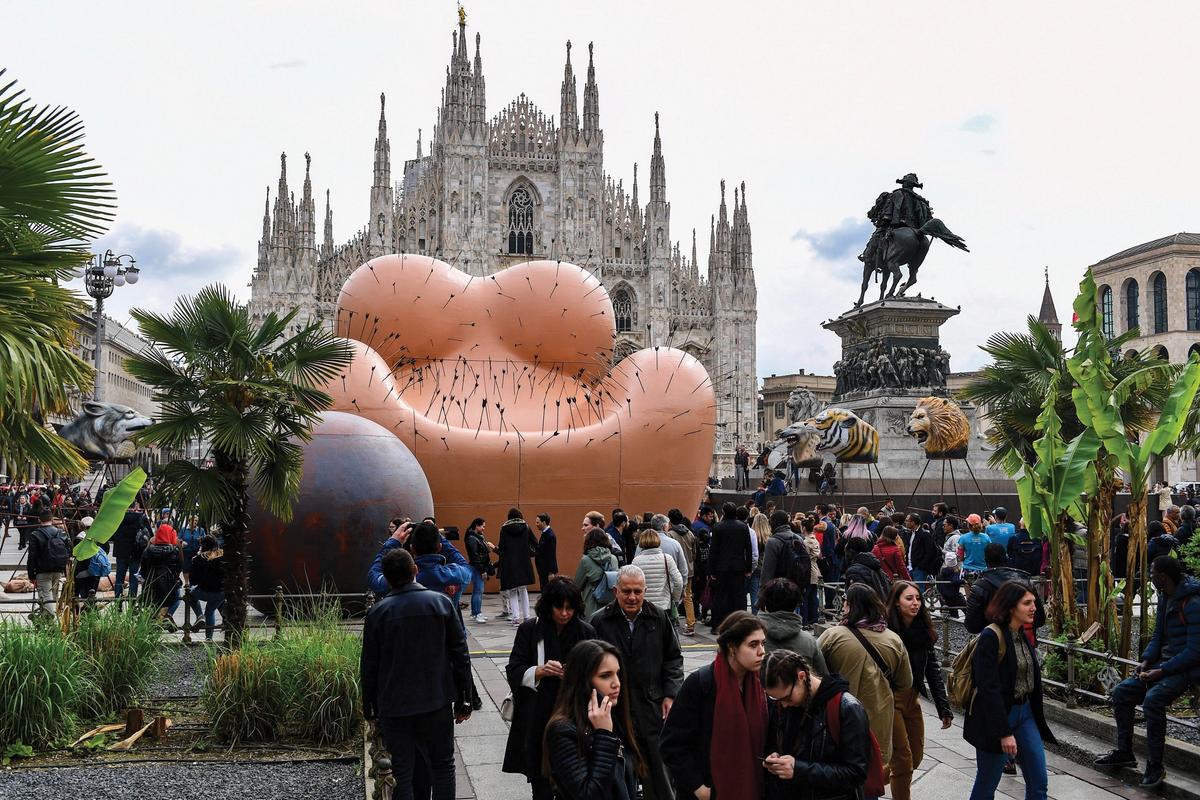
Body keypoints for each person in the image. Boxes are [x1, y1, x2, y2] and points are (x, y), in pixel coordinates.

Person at [361, 547, 474, 800]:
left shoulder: (377, 613)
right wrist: (465, 696)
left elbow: (370, 664)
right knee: (443, 765)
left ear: (386, 578)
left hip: (395, 703)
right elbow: (460, 655)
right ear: (415, 570)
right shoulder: (442, 603)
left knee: (402, 769)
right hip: (437, 698)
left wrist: (369, 705)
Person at [1095, 556, 1200, 789]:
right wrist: (1145, 661)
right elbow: (1158, 636)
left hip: (1185, 669)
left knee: (1153, 701)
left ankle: (1155, 765)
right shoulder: (1165, 597)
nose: (1150, 577)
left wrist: (1161, 671)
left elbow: (1195, 651)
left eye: (1152, 573)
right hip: (1162, 665)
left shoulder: (1192, 603)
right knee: (1122, 692)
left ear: (1163, 576)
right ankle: (1124, 752)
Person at [589, 565, 684, 800]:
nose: (632, 597)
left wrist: (670, 694)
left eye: (637, 591)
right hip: (614, 710)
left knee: (659, 777)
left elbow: (673, 659)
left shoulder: (658, 617)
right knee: (619, 776)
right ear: (615, 591)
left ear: (645, 591)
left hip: (651, 707)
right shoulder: (600, 621)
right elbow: (588, 666)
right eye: (626, 591)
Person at [504, 578, 596, 800]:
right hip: (538, 717)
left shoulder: (586, 632)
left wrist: (575, 676)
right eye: (558, 607)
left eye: (569, 608)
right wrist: (539, 671)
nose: (564, 614)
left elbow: (598, 674)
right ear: (548, 606)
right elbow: (514, 668)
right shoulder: (530, 629)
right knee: (541, 783)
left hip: (574, 715)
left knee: (573, 781)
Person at [661, 611, 768, 800]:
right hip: (710, 791)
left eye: (763, 643)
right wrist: (698, 788)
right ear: (732, 647)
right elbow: (672, 744)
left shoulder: (761, 685)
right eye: (753, 645)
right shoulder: (701, 684)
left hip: (751, 788)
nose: (761, 651)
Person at [964, 581, 1055, 800]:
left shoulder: (1022, 633)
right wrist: (1004, 732)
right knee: (987, 784)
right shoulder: (991, 636)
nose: (1034, 607)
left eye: (1034, 602)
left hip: (1025, 714)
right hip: (997, 718)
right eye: (1027, 603)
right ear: (1011, 607)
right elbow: (988, 689)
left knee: (1039, 781)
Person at [818, 584, 913, 770]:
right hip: (878, 719)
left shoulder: (832, 636)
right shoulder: (894, 640)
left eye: (845, 601)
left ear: (849, 605)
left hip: (837, 718)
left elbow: (815, 673)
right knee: (871, 773)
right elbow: (905, 683)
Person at [761, 649, 872, 800]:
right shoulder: (782, 705)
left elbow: (856, 774)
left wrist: (798, 769)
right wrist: (774, 755)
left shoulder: (847, 708)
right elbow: (773, 742)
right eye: (777, 699)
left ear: (802, 676)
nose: (784, 705)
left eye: (787, 698)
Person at [543, 639, 644, 800]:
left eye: (617, 674)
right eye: (605, 676)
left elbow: (630, 783)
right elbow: (588, 794)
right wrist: (604, 735)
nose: (616, 683)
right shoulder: (563, 730)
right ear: (583, 681)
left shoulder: (615, 717)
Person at [885, 581, 952, 800]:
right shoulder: (885, 631)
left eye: (918, 598)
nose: (915, 603)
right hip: (890, 700)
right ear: (896, 602)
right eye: (909, 598)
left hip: (912, 698)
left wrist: (943, 707)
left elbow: (932, 669)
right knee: (903, 762)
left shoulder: (923, 629)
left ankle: (869, 780)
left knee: (915, 756)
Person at [965, 543, 1047, 639]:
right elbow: (1039, 619)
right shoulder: (1025, 581)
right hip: (1023, 640)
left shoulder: (980, 587)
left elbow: (972, 626)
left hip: (994, 640)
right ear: (1005, 558)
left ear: (985, 560)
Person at [757, 578, 828, 674]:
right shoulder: (809, 642)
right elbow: (823, 677)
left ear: (765, 605)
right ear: (795, 606)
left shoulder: (751, 641)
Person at [709, 502, 753, 632]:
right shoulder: (743, 527)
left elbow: (714, 550)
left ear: (723, 512)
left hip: (721, 567)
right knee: (738, 596)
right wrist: (748, 568)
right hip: (739, 567)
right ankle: (740, 623)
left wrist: (711, 570)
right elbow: (748, 549)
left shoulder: (718, 527)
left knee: (720, 597)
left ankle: (718, 624)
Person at [498, 508, 539, 626]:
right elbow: (535, 543)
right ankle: (527, 617)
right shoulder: (526, 527)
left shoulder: (504, 529)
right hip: (523, 562)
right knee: (523, 589)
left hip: (510, 564)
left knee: (512, 591)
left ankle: (515, 618)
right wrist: (528, 552)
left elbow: (501, 547)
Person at [140, 524, 184, 627]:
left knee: (153, 602)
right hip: (169, 585)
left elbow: (143, 568)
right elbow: (179, 567)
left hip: (151, 583)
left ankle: (157, 619)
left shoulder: (148, 551)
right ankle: (165, 616)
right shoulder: (174, 551)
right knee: (177, 598)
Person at [632, 527, 685, 613]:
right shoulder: (667, 559)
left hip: (644, 606)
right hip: (664, 605)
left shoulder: (636, 561)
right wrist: (675, 599)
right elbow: (678, 581)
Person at [28, 510, 70, 616]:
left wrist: (31, 575)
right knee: (53, 597)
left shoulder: (35, 534)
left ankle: (50, 621)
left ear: (39, 520)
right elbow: (68, 551)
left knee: (46, 597)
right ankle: (46, 621)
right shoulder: (61, 533)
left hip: (42, 571)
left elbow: (32, 556)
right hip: (58, 570)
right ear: (52, 519)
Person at [666, 509, 699, 635]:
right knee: (687, 597)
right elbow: (694, 553)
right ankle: (691, 624)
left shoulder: (670, 535)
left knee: (671, 594)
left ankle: (673, 619)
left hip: (674, 569)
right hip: (689, 570)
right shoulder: (689, 533)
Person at [187, 534, 225, 640]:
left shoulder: (198, 559)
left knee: (190, 596)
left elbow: (193, 581)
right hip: (220, 592)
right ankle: (209, 639)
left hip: (203, 590)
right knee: (210, 611)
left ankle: (199, 616)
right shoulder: (223, 556)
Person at [111, 503, 151, 598]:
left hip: (121, 552)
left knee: (119, 577)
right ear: (135, 507)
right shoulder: (141, 518)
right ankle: (132, 600)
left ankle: (118, 600)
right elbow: (149, 534)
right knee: (134, 578)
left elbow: (112, 536)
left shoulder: (118, 518)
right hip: (135, 552)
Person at [464, 518, 494, 623]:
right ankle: (477, 613)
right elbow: (475, 556)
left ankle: (475, 613)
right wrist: (482, 571)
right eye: (483, 526)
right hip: (478, 568)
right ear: (477, 525)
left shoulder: (475, 537)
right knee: (478, 591)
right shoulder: (473, 538)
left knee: (477, 591)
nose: (484, 528)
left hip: (477, 567)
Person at [843, 536, 891, 602]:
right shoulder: (875, 566)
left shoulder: (853, 571)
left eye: (846, 551)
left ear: (851, 552)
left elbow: (858, 598)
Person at [748, 511, 772, 612]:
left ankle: (755, 615)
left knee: (754, 594)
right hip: (766, 569)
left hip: (755, 569)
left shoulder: (752, 536)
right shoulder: (770, 538)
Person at [937, 552, 967, 618]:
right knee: (964, 608)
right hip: (954, 595)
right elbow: (955, 581)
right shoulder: (954, 572)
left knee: (951, 611)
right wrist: (963, 581)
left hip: (944, 596)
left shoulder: (941, 571)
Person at [533, 513, 558, 590]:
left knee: (548, 592)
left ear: (543, 522)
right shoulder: (545, 534)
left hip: (547, 572)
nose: (536, 524)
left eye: (538, 522)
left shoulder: (550, 536)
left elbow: (551, 555)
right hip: (543, 571)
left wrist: (551, 572)